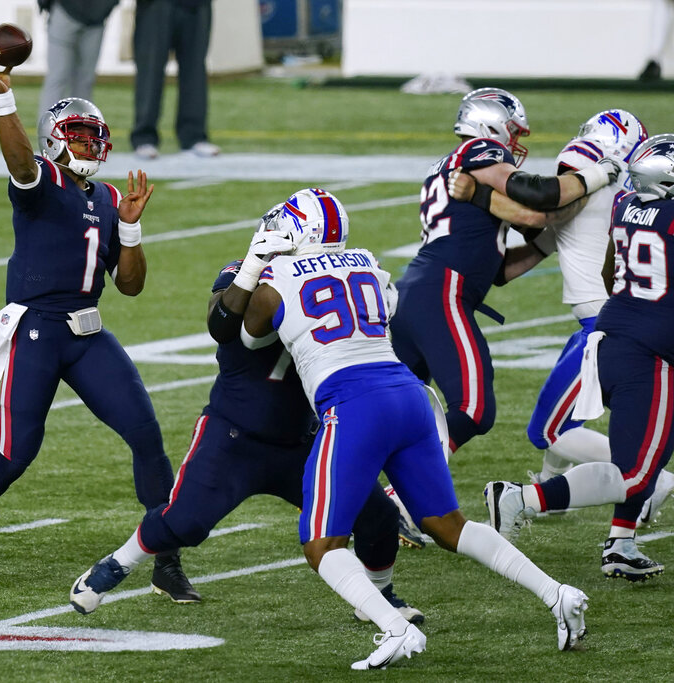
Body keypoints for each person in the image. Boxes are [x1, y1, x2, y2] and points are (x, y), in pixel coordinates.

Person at [239, 188, 588, 669]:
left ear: (301, 231)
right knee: (448, 525)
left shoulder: (276, 276)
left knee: (321, 543)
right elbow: (387, 308)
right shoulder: (369, 263)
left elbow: (249, 334)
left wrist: (254, 267)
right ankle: (556, 593)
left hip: (353, 405)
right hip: (409, 397)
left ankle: (394, 626)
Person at [68, 205, 422, 625]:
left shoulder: (340, 281)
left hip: (305, 438)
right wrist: (254, 264)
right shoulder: (249, 272)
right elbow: (221, 327)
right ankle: (116, 564)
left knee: (377, 516)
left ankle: (381, 598)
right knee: (186, 522)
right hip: (235, 434)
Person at [0, 46, 196, 601]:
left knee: (146, 435)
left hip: (86, 331)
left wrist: (130, 229)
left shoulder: (106, 197)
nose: (88, 146)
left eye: (92, 136)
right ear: (56, 138)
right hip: (37, 329)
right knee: (16, 452)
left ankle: (165, 559)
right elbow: (19, 162)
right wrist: (2, 93)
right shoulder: (41, 180)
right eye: (77, 136)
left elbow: (130, 285)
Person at [450, 110, 674, 525]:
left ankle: (651, 479)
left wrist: (477, 195)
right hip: (619, 322)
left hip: (607, 326)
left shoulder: (592, 167)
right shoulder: (622, 198)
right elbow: (543, 234)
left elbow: (539, 202)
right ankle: (566, 480)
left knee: (549, 430)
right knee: (564, 419)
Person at [390, 87, 620, 458]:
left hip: (418, 292)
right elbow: (539, 196)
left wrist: (546, 241)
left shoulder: (446, 166)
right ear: (492, 124)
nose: (513, 143)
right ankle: (402, 498)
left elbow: (502, 267)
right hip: (442, 292)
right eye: (512, 131)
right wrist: (599, 173)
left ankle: (362, 498)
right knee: (474, 409)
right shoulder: (478, 150)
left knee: (393, 412)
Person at [130, 0, 219, 160]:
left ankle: (194, 136)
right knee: (150, 69)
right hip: (155, 6)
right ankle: (144, 137)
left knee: (195, 69)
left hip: (197, 6)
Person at [36, 0, 120, 116]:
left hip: (82, 14)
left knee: (63, 80)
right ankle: (57, 130)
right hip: (89, 14)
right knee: (76, 81)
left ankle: (52, 131)